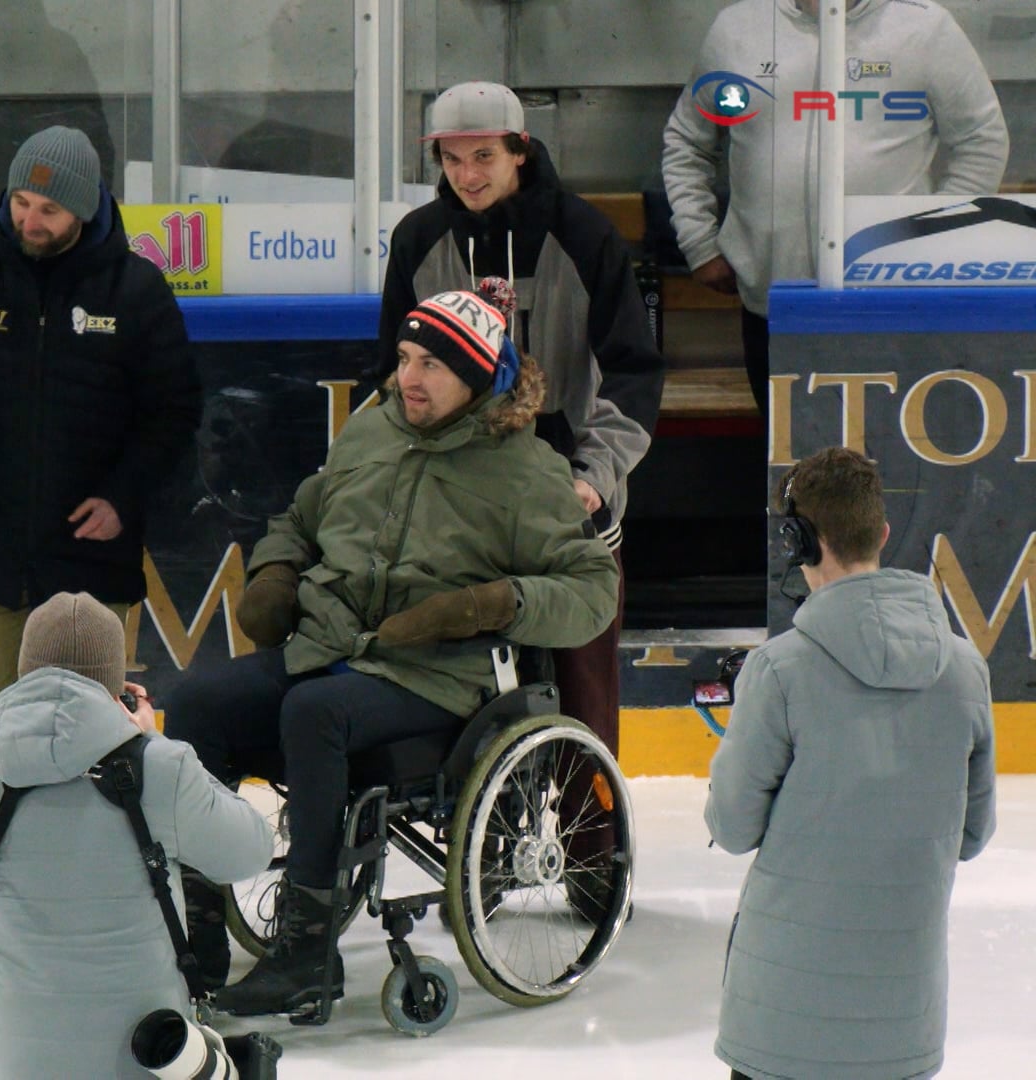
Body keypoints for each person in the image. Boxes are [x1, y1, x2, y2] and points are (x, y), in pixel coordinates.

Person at [163, 288, 619, 1016]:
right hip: (330, 646)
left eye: (431, 364)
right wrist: (277, 571)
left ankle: (307, 955)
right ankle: (200, 931)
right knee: (195, 702)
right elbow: (300, 517)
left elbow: (593, 590)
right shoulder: (372, 430)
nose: (408, 377)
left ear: (476, 377)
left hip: (438, 676)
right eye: (405, 358)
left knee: (315, 712)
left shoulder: (527, 471)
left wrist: (489, 604)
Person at [0, 125, 203, 947]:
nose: (30, 221)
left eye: (49, 210)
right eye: (22, 203)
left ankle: (79, 883)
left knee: (88, 732)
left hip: (87, 559)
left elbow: (173, 412)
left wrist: (122, 497)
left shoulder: (137, 291)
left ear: (87, 208)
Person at [381, 80, 664, 825]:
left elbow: (634, 372)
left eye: (483, 156)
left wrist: (594, 475)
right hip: (458, 503)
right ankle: (484, 847)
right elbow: (389, 377)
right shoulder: (417, 240)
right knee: (462, 687)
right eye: (451, 159)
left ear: (520, 152)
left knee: (583, 692)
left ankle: (593, 850)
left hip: (568, 504)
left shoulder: (586, 236)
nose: (466, 175)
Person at [707, 447, 995, 1080]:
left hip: (782, 1029)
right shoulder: (966, 671)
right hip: (903, 1030)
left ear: (798, 541)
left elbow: (731, 826)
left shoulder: (778, 671)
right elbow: (972, 836)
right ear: (882, 533)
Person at [0, 591, 274, 1079]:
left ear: (24, 669)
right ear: (116, 683)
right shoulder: (159, 767)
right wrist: (152, 740)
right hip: (149, 1060)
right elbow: (251, 851)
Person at [661, 0, 1007, 416]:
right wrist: (699, 242)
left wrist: (927, 248)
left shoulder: (924, 28)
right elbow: (688, 142)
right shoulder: (737, 29)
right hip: (774, 308)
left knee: (886, 449)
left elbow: (982, 141)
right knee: (787, 450)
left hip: (890, 309)